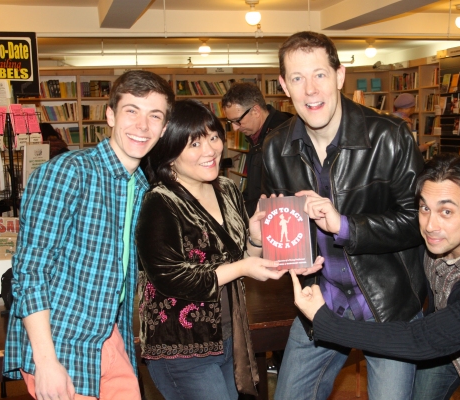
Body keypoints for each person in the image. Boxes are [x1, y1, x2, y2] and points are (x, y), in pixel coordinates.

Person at [291, 154, 460, 400]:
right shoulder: (451, 222)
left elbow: (420, 340)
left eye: (446, 212)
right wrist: (332, 228)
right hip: (445, 334)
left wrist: (325, 320)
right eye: (424, 207)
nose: (430, 226)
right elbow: (391, 230)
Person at [262, 31, 426, 400]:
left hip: (388, 303)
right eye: (298, 79)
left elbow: (419, 220)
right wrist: (272, 242)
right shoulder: (275, 148)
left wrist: (344, 225)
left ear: (339, 75)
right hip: (322, 301)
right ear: (283, 86)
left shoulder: (391, 136)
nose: (310, 91)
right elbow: (285, 228)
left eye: (320, 74)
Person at [4, 70, 175, 400]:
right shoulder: (68, 172)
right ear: (110, 115)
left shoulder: (140, 187)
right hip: (59, 342)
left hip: (109, 336)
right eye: (131, 111)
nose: (142, 126)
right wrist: (45, 361)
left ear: (164, 128)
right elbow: (30, 272)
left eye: (154, 116)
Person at [135, 99, 321, 400]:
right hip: (181, 346)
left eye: (212, 136)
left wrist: (257, 239)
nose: (210, 150)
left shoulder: (227, 188)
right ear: (169, 153)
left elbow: (240, 258)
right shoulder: (160, 202)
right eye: (194, 144)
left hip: (228, 336)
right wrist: (244, 268)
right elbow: (170, 278)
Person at [221, 82, 293, 217]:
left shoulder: (283, 136)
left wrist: (237, 211)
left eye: (238, 121)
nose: (235, 128)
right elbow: (255, 187)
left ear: (255, 111)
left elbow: (279, 195)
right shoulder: (256, 135)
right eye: (231, 122)